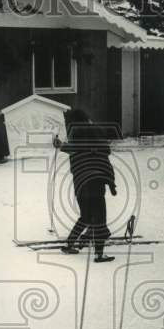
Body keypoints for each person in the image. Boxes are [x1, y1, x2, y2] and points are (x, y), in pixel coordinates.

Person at [53, 108, 117, 263]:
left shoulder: (74, 136)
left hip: (80, 183)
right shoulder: (94, 132)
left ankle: (69, 244)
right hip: (95, 181)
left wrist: (61, 146)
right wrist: (111, 182)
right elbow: (105, 153)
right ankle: (99, 254)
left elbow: (76, 149)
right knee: (100, 218)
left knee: (86, 216)